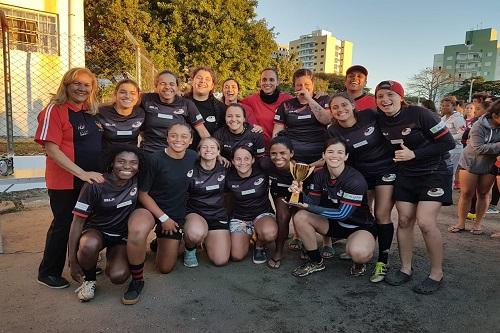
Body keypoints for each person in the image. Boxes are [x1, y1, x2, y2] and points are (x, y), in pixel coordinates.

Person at [375, 80, 455, 294]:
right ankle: (405, 269)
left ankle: (436, 273)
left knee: (426, 222)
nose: (385, 100)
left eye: (390, 95)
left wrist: (415, 154)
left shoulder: (421, 114)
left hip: (433, 172)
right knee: (404, 220)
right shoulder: (380, 119)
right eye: (380, 96)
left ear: (401, 97)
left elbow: (449, 143)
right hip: (405, 175)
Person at [35, 67, 104, 289]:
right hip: (65, 181)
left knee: (85, 224)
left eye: (87, 85)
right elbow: (51, 149)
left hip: (88, 180)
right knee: (64, 224)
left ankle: (82, 263)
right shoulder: (54, 110)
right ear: (66, 84)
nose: (82, 88)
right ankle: (48, 271)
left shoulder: (89, 110)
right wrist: (82, 173)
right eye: (77, 83)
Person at [123, 123, 197, 305]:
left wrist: (220, 157)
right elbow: (143, 193)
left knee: (165, 268)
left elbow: (212, 157)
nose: (178, 140)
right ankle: (137, 280)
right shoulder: (154, 159)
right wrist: (163, 218)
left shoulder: (193, 156)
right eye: (174, 135)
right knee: (138, 230)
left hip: (174, 214)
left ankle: (161, 242)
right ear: (167, 138)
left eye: (184, 137)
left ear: (191, 141)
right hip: (150, 208)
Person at [328, 92, 396, 283]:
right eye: (335, 107)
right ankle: (359, 245)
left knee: (382, 215)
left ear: (352, 105)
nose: (340, 110)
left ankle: (383, 260)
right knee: (361, 212)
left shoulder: (370, 115)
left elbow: (393, 126)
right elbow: (333, 153)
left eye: (344, 105)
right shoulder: (333, 130)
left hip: (384, 169)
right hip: (360, 174)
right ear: (331, 111)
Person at [288, 137, 377, 277]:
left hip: (358, 227)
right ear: (323, 155)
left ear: (346, 156)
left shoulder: (355, 180)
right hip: (332, 224)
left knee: (359, 254)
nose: (335, 155)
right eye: (330, 151)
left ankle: (358, 259)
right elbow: (313, 203)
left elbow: (343, 214)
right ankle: (316, 261)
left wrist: (307, 206)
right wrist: (300, 193)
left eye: (340, 152)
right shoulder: (319, 175)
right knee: (301, 216)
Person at [67, 146, 141, 302]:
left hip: (120, 236)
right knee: (89, 245)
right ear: (112, 163)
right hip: (97, 231)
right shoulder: (95, 184)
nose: (127, 166)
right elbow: (77, 222)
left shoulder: (137, 181)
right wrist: (72, 260)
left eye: (133, 163)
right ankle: (89, 279)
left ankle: (111, 257)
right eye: (121, 161)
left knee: (118, 276)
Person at [450, 100, 500, 234]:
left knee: (483, 194)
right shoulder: (478, 125)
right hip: (470, 162)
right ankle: (461, 223)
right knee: (466, 193)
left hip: (489, 164)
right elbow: (478, 147)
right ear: (495, 115)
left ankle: (478, 224)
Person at [184, 137, 231, 267]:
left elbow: (231, 194)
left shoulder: (225, 167)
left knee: (220, 260)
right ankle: (190, 248)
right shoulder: (191, 168)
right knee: (195, 233)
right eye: (204, 147)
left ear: (218, 151)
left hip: (218, 215)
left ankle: (207, 239)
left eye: (212, 147)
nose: (208, 150)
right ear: (198, 151)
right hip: (196, 212)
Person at [225, 146, 278, 264]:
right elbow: (226, 201)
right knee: (237, 256)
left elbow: (281, 166)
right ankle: (249, 236)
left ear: (253, 160)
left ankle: (259, 245)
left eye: (246, 158)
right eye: (238, 159)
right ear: (232, 161)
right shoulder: (228, 177)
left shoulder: (263, 171)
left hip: (262, 214)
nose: (242, 162)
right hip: (240, 218)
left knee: (269, 233)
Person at [273, 68, 332, 166]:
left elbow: (326, 120)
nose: (303, 88)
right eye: (299, 85)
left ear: (313, 85)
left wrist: (309, 98)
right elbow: (277, 133)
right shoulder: (286, 105)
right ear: (294, 87)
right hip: (293, 158)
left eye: (307, 84)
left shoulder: (323, 99)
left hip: (319, 157)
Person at [140, 70, 210, 152]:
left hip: (175, 154)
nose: (167, 87)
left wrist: (215, 152)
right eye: (163, 83)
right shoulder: (146, 99)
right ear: (156, 86)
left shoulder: (186, 104)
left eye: (172, 84)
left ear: (177, 87)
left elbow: (202, 131)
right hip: (149, 152)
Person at [260, 134, 299, 269]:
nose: (278, 157)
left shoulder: (300, 169)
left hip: (300, 195)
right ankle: (279, 250)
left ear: (292, 153)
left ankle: (306, 246)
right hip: (279, 194)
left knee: (300, 217)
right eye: (274, 153)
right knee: (282, 216)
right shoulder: (266, 164)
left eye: (283, 153)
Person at [241, 68, 293, 148]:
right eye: (264, 80)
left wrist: (317, 97)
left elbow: (304, 102)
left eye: (271, 80)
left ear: (277, 82)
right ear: (260, 82)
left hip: (281, 149)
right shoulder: (251, 100)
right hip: (259, 148)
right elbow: (235, 105)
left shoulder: (288, 99)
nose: (267, 83)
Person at [97, 79, 145, 151]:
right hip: (107, 159)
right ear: (115, 94)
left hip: (130, 158)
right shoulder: (101, 112)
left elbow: (145, 135)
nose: (128, 96)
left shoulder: (141, 113)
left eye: (132, 93)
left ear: (138, 96)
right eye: (123, 92)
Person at [186, 67, 227, 147]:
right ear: (192, 81)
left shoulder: (222, 109)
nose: (202, 81)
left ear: (212, 86)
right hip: (183, 156)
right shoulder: (180, 104)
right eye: (199, 78)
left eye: (207, 79)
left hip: (210, 156)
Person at [440, 96, 466, 190]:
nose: (444, 107)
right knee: (443, 171)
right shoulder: (443, 118)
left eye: (447, 105)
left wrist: (448, 139)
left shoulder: (458, 118)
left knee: (450, 171)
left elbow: (462, 133)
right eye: (442, 105)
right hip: (444, 149)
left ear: (453, 106)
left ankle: (448, 192)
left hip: (455, 149)